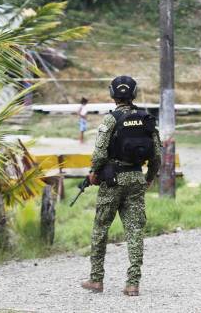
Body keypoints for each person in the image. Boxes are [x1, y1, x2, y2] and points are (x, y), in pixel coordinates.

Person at [81, 76, 161, 296]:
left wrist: (94, 173)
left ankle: (96, 280)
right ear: (134, 93)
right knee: (135, 231)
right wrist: (149, 177)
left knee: (100, 229)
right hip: (136, 179)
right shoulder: (146, 119)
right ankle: (133, 283)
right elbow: (156, 156)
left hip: (113, 181)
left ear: (112, 94)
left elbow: (98, 154)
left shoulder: (111, 119)